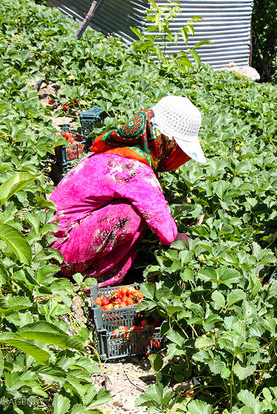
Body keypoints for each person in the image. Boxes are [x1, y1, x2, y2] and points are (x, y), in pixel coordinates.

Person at [49, 96, 205, 287]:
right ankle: (93, 281)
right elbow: (167, 233)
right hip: (60, 255)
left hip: (49, 240)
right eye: (180, 150)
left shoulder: (122, 149)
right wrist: (188, 243)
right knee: (131, 214)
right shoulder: (135, 171)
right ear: (168, 143)